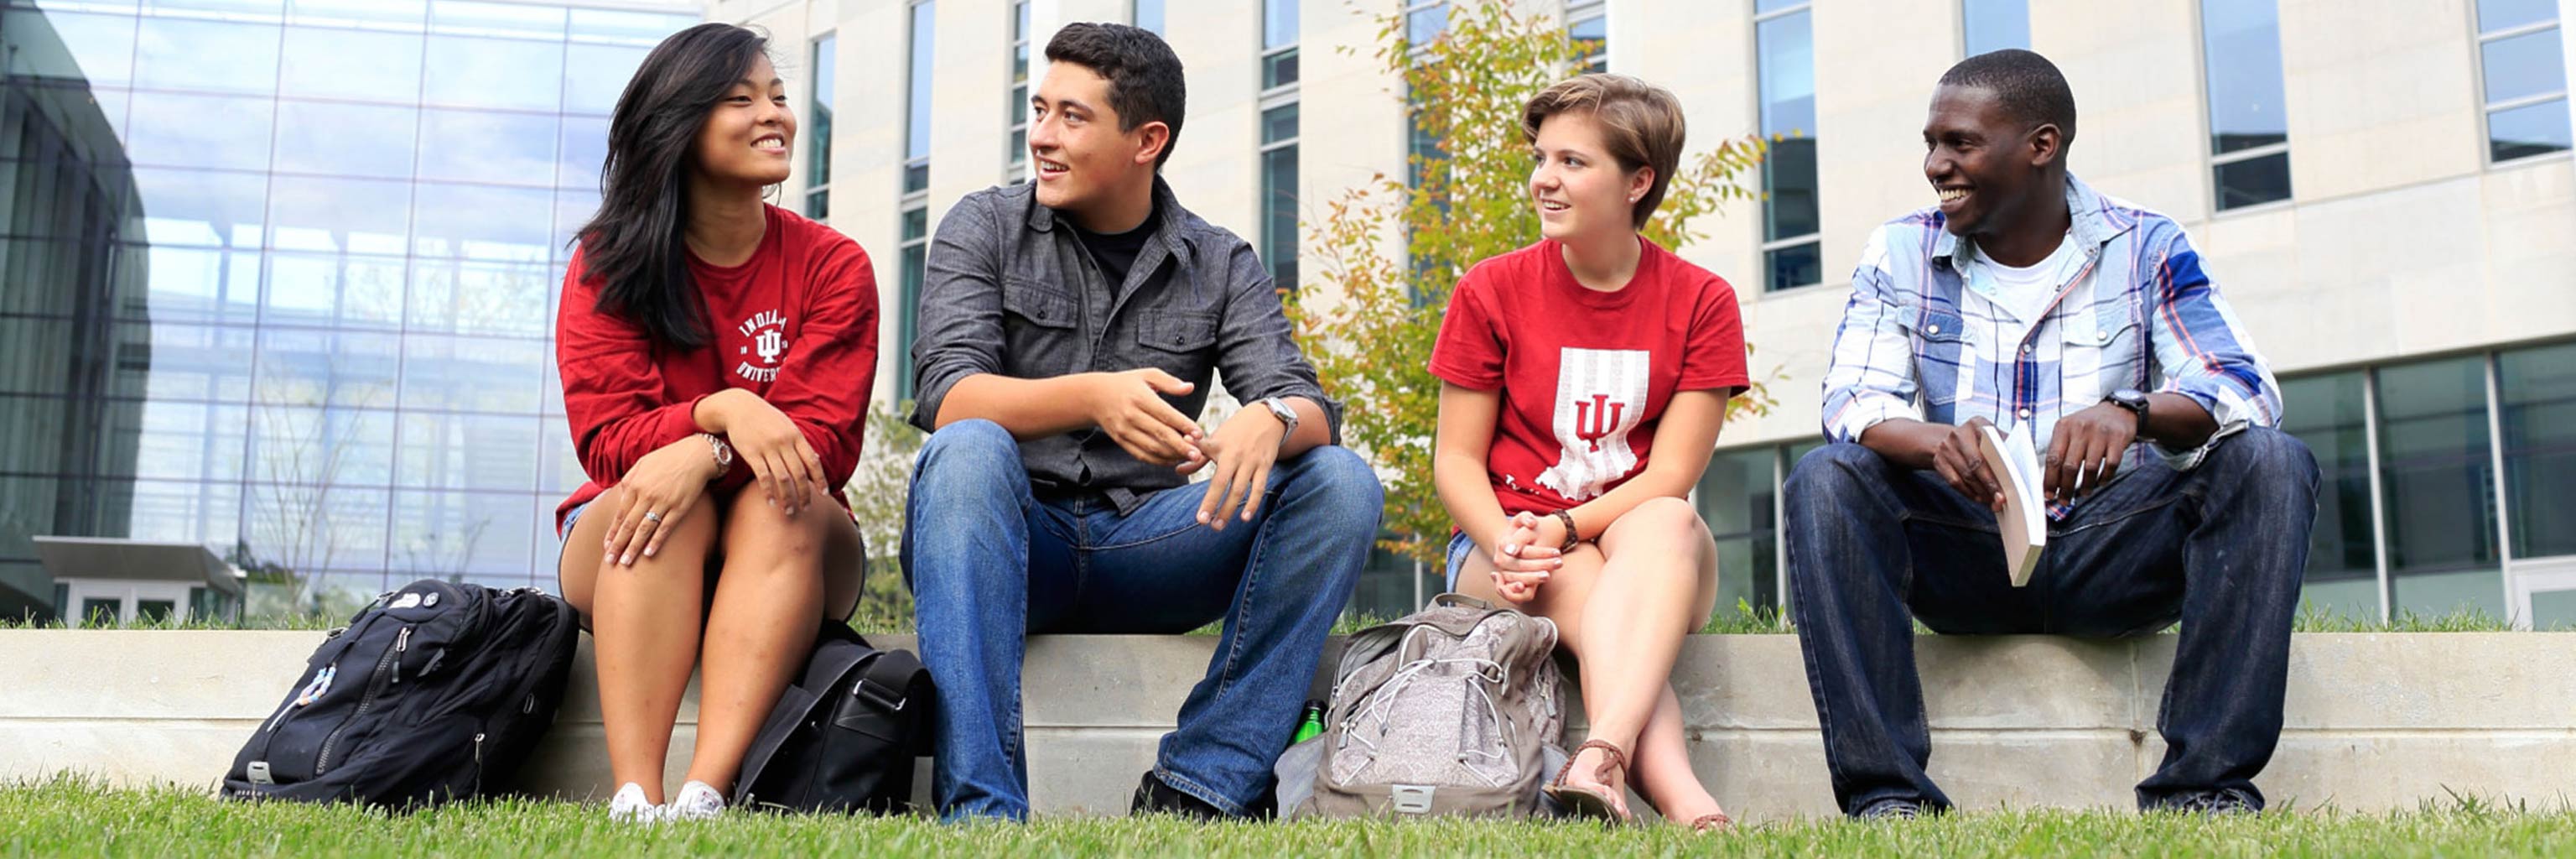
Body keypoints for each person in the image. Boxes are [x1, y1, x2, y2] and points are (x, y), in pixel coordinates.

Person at [1786, 49, 2318, 819]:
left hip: (2114, 548)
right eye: (1931, 144)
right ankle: (1888, 797)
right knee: (1826, 476)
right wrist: (1936, 444)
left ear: (2042, 145)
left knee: (2269, 461)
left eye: (1960, 143)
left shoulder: (2145, 245)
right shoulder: (1899, 250)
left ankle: (2202, 788)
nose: (1937, 165)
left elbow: (2243, 388)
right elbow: (1851, 402)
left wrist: (2133, 410)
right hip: (1965, 546)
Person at [903, 23, 1383, 822]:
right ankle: (982, 811)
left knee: (1339, 481)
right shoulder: (981, 225)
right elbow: (948, 392)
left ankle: (1200, 785)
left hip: (1155, 547)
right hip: (1008, 546)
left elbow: (1304, 400)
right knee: (967, 449)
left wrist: (1269, 417)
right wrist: (1093, 395)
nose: (1043, 137)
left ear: (1146, 140)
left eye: (1072, 117)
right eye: (1040, 110)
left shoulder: (1219, 260)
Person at [552, 23, 877, 824]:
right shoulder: (608, 264)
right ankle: (635, 795)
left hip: (792, 538)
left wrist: (702, 452)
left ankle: (706, 792)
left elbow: (821, 447)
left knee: (782, 496)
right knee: (663, 495)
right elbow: (605, 440)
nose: (774, 114)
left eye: (778, 96)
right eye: (740, 100)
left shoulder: (834, 266)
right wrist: (719, 414)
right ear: (677, 125)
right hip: (634, 541)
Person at [1427, 74, 1749, 832]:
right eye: (1541, 159)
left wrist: (1570, 525)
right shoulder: (1489, 290)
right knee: (1585, 584)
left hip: (1645, 546)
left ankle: (1602, 752)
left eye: (1573, 162)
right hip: (1508, 542)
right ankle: (1682, 803)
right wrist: (1504, 535)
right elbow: (1456, 462)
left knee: (1667, 518)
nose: (1544, 180)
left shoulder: (1702, 300)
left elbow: (1673, 473)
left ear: (1639, 181)